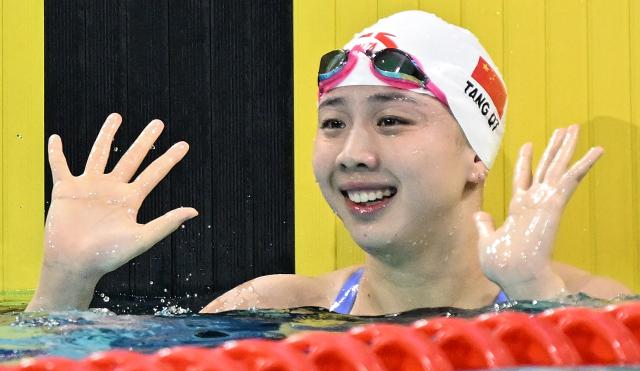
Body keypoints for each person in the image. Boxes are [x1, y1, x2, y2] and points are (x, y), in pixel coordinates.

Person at [27, 11, 630, 315]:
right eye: (333, 123)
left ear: (476, 154)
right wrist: (65, 281)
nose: (353, 154)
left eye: (392, 120)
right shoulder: (269, 308)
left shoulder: (596, 303)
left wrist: (535, 302)